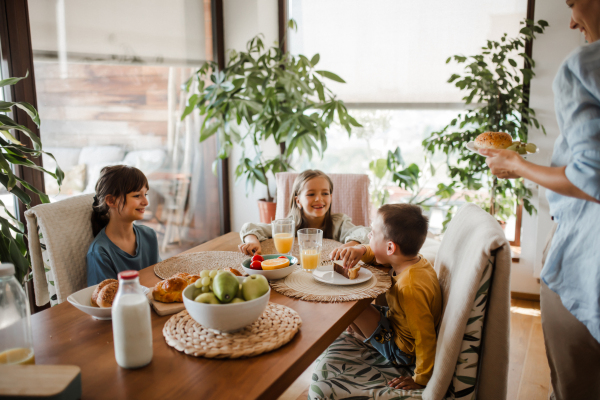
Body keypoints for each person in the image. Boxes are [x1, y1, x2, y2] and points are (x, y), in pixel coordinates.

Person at [480, 1, 600, 398]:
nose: (570, 20)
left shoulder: (584, 65)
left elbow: (589, 177)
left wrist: (516, 165)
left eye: (572, 3)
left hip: (588, 257)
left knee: (573, 387)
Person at [333, 203, 441, 390]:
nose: (368, 236)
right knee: (357, 307)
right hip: (397, 320)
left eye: (373, 233)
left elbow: (425, 337)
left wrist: (421, 379)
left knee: (351, 302)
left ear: (390, 247)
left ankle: (367, 339)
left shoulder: (411, 287)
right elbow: (379, 254)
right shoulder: (414, 261)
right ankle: (361, 333)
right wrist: (361, 250)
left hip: (403, 352)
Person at [238, 169, 370, 255]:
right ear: (298, 201)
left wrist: (352, 245)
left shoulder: (339, 223)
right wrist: (252, 241)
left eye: (325, 193)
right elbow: (251, 227)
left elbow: (363, 232)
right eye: (311, 194)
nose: (319, 199)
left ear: (331, 196)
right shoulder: (289, 225)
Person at [87, 165, 160, 286]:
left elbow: (159, 276)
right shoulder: (99, 253)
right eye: (137, 195)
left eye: (145, 195)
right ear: (111, 201)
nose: (146, 202)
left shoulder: (149, 235)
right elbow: (105, 302)